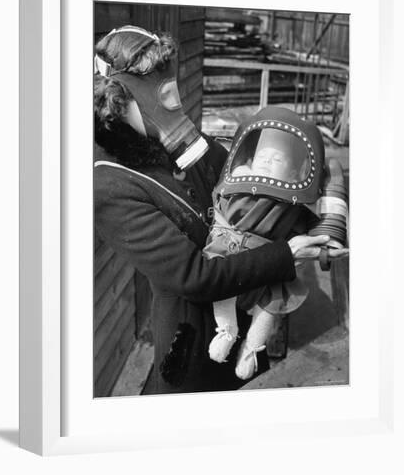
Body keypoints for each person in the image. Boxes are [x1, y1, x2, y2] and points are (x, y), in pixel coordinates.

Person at [93, 25, 344, 394]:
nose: (172, 103)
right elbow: (192, 277)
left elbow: (251, 185)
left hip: (246, 308)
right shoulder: (111, 186)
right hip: (192, 337)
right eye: (155, 87)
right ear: (119, 99)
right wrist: (286, 254)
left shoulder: (184, 146)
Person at [205, 106, 349, 379]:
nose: (268, 162)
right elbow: (219, 205)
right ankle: (227, 331)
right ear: (249, 159)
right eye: (263, 156)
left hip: (272, 265)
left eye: (278, 159)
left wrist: (326, 246)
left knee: (271, 305)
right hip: (231, 253)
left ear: (294, 171)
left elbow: (313, 230)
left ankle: (251, 347)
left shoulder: (293, 202)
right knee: (220, 287)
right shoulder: (238, 183)